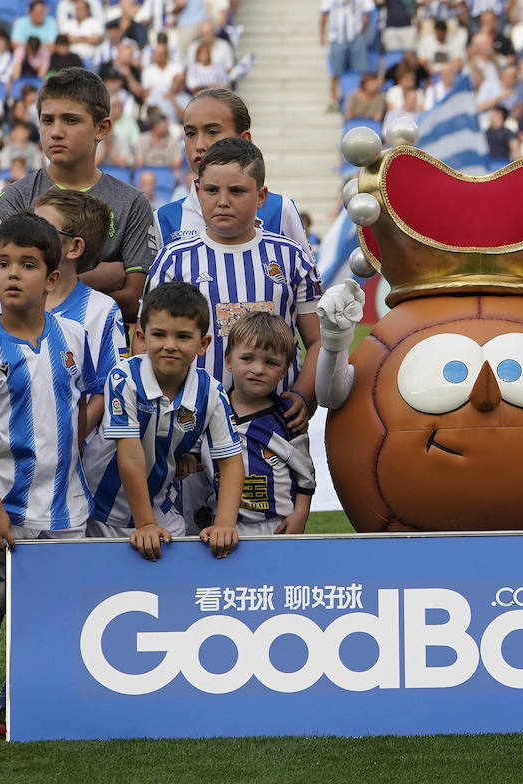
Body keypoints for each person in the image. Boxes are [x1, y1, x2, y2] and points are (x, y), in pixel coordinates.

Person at [0, 213, 104, 737]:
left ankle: (29, 692)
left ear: (53, 277)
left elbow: (86, 400)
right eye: (2, 264)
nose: (13, 274)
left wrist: (68, 442)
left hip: (66, 503)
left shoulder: (75, 336)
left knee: (55, 600)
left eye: (28, 264)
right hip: (4, 506)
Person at [148, 137, 320, 422]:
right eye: (212, 191)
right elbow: (148, 344)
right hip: (192, 426)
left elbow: (318, 340)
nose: (223, 201)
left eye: (237, 191)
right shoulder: (174, 259)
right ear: (198, 192)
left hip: (276, 424)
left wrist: (302, 394)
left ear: (261, 196)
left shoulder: (291, 257)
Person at [82, 282, 244, 560]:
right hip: (101, 508)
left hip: (161, 507)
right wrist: (145, 525)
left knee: (173, 587)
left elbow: (230, 461)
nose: (170, 345)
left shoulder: (211, 391)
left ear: (203, 344)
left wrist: (225, 524)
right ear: (142, 337)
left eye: (182, 336)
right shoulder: (124, 378)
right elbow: (130, 457)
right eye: (159, 334)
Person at [0, 67, 158, 322]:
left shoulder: (132, 203)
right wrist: (105, 276)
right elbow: (5, 293)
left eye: (71, 120)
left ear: (101, 128)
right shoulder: (15, 198)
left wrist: (42, 282)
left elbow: (134, 301)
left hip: (103, 356)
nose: (56, 131)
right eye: (47, 120)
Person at [0, 190, 126, 424]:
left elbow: (104, 389)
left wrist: (71, 444)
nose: (30, 234)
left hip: (77, 456)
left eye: (43, 227)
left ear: (74, 247)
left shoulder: (102, 311)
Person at [154, 88, 312, 261]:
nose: (199, 145)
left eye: (212, 132)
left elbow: (306, 283)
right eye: (190, 133)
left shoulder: (281, 210)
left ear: (244, 139)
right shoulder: (163, 219)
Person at [208, 311, 315, 535]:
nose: (258, 369)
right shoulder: (212, 410)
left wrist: (300, 515)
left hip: (275, 526)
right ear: (228, 360)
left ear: (285, 370)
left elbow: (305, 474)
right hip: (220, 526)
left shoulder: (287, 417)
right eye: (247, 359)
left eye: (270, 363)